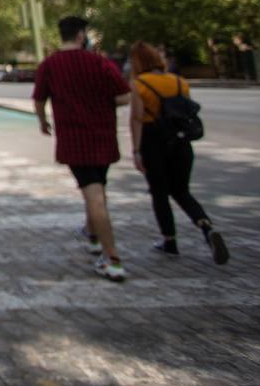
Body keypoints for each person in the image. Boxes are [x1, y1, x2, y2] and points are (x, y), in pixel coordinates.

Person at [32, 16, 132, 282]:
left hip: (75, 142)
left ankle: (113, 259)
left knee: (94, 194)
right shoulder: (99, 62)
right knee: (97, 188)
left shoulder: (50, 65)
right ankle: (93, 237)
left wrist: (44, 122)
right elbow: (124, 96)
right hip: (103, 138)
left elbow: (39, 99)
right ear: (81, 35)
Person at [127, 41, 229, 264]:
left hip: (153, 141)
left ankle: (169, 240)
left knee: (159, 193)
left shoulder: (140, 84)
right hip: (180, 142)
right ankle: (205, 225)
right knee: (181, 191)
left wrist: (135, 150)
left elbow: (136, 118)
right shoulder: (179, 82)